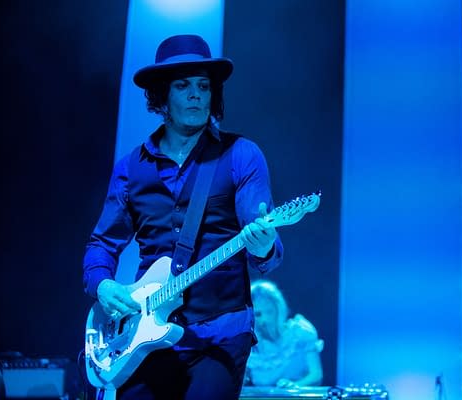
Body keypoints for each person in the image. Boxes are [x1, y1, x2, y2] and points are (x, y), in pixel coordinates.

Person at [82, 34, 283, 399]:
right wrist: (102, 284)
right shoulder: (130, 168)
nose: (196, 95)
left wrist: (265, 244)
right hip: (145, 331)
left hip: (220, 335)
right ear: (161, 95)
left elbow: (263, 253)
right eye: (183, 85)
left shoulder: (241, 155)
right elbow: (102, 243)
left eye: (204, 86)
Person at [245, 280, 323, 388]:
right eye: (258, 314)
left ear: (279, 309)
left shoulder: (301, 333)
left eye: (269, 312)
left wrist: (294, 386)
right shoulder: (248, 343)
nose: (265, 319)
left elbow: (316, 376)